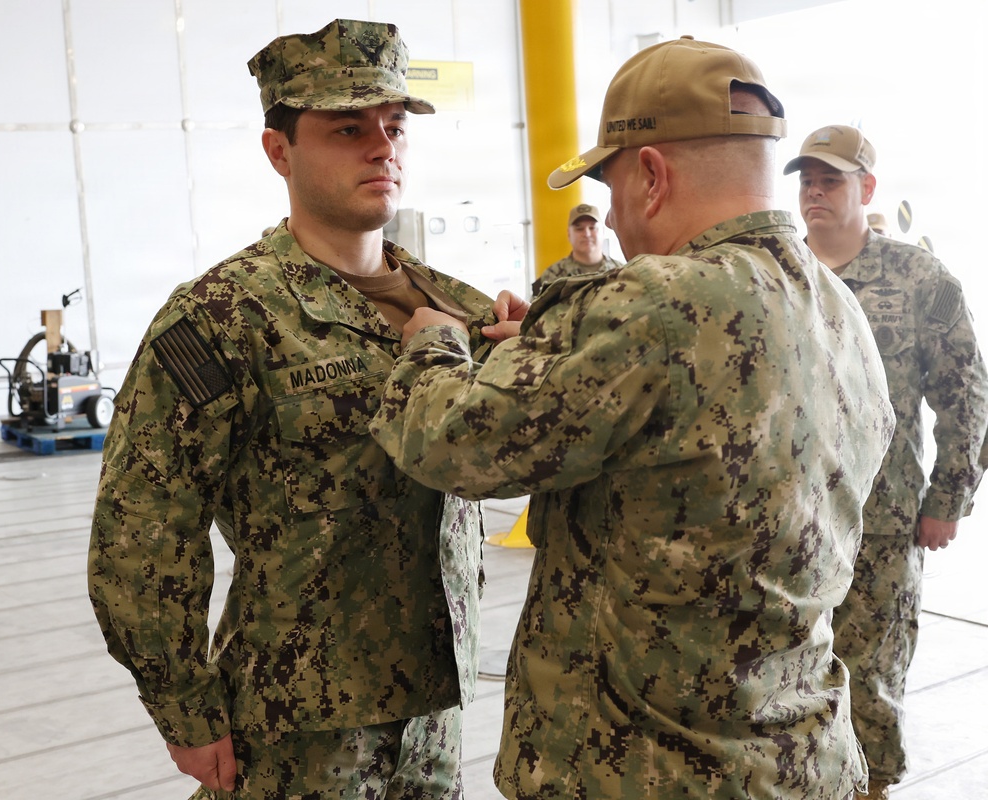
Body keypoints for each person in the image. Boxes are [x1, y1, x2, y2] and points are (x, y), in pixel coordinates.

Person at [370, 37, 894, 799]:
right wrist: (562, 351)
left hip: (650, 774)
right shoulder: (840, 308)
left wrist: (433, 345)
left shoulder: (659, 302)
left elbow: (450, 443)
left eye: (611, 191)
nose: (609, 222)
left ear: (650, 174)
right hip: (801, 758)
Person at [88, 18, 498, 800]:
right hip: (298, 725)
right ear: (280, 151)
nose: (383, 147)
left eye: (394, 125)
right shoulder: (222, 316)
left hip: (436, 710)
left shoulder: (456, 308)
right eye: (347, 128)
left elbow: (505, 465)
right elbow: (141, 533)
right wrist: (184, 708)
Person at [784, 124, 988, 800]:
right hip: (785, 520)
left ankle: (871, 790)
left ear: (866, 187)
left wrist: (947, 499)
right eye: (807, 180)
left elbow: (965, 392)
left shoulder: (917, 278)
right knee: (784, 678)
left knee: (870, 675)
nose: (815, 191)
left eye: (831, 180)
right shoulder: (779, 271)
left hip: (885, 518)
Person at [530, 203, 622, 297]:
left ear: (602, 232)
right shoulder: (552, 276)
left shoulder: (621, 272)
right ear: (569, 234)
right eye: (579, 229)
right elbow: (535, 310)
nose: (586, 234)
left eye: (592, 228)